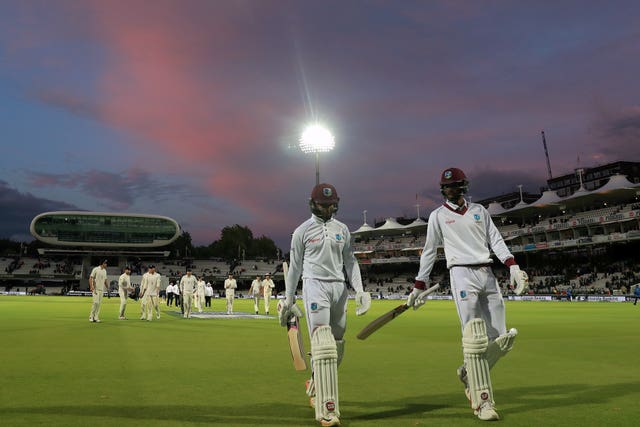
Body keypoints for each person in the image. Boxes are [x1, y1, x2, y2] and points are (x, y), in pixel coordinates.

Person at [406, 167, 529, 421]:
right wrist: (419, 284)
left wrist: (513, 266)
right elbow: (429, 251)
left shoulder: (479, 211)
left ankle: (467, 372)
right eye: (449, 187)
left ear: (464, 187)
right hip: (461, 274)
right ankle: (483, 402)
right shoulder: (438, 216)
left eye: (457, 186)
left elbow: (495, 239)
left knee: (501, 339)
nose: (453, 190)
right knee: (475, 338)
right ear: (443, 190)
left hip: (487, 273)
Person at [279, 182, 371, 427]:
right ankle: (325, 410)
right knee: (323, 343)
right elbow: (295, 266)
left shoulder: (342, 229)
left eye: (332, 205)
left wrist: (360, 291)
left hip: (339, 287)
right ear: (313, 204)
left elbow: (350, 262)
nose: (329, 209)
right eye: (324, 205)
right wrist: (289, 298)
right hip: (315, 286)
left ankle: (315, 383)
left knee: (338, 344)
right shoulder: (302, 231)